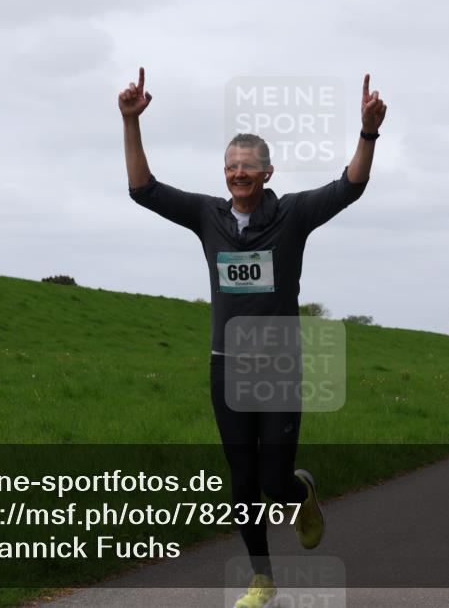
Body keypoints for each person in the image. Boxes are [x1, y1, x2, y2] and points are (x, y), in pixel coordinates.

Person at [121, 67, 385, 608]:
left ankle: (300, 491)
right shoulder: (206, 215)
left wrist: (368, 132)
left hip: (279, 367)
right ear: (224, 173)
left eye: (248, 166)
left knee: (273, 483)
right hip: (227, 366)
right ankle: (262, 579)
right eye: (231, 166)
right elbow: (142, 190)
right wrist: (130, 121)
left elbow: (350, 186)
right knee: (241, 481)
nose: (238, 173)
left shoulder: (292, 215)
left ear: (267, 172)